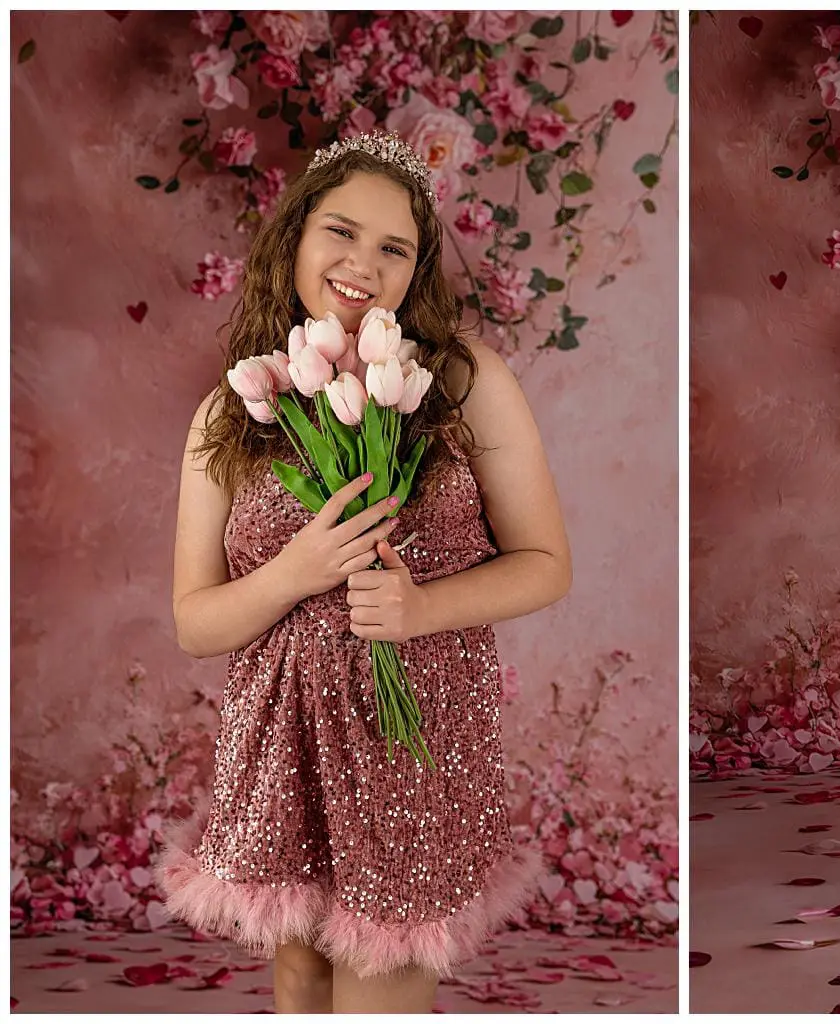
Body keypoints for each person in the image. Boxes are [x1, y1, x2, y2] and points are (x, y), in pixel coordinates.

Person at [163, 131, 572, 1013]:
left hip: (411, 727)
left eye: (395, 248)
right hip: (284, 737)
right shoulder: (232, 410)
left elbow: (545, 565)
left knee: (380, 975)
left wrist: (420, 608)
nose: (363, 264)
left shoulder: (462, 380)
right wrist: (294, 571)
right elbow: (195, 624)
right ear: (296, 240)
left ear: (417, 271)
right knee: (303, 969)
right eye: (340, 233)